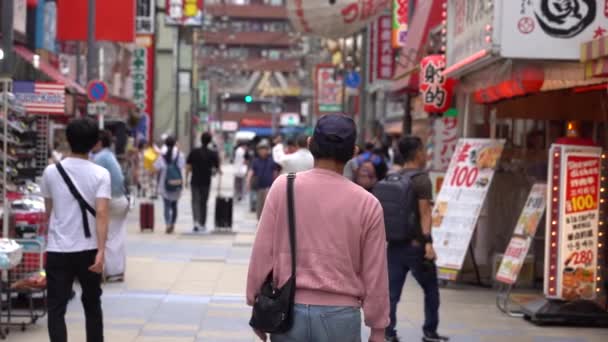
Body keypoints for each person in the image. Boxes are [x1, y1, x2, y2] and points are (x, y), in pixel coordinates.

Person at [247, 114, 389, 342]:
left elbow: (263, 251)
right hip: (341, 316)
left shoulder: (284, 187)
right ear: (353, 153)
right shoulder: (367, 203)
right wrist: (378, 327)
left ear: (311, 144)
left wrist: (256, 301)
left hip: (288, 310)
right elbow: (376, 271)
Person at [41, 118, 110, 342]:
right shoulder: (101, 174)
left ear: (68, 140)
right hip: (89, 250)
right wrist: (101, 250)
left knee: (56, 308)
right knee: (92, 305)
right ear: (94, 143)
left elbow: (48, 211)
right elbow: (101, 213)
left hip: (58, 249)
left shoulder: (51, 172)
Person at [384, 136, 447, 342]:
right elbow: (425, 214)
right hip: (416, 246)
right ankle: (430, 332)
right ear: (418, 152)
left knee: (392, 294)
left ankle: (388, 332)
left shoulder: (393, 177)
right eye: (424, 149)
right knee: (431, 290)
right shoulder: (421, 179)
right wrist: (428, 242)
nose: (426, 153)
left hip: (394, 245)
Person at [92, 130, 129, 282]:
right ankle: (117, 271)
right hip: (121, 200)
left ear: (99, 143)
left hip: (111, 201)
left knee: (107, 236)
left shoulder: (99, 158)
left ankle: (111, 271)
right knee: (117, 236)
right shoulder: (109, 155)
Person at [186, 133, 221, 232]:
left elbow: (188, 166)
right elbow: (217, 168)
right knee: (203, 202)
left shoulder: (194, 152)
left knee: (195, 201)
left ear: (201, 140)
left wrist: (185, 179)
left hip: (195, 180)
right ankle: (202, 223)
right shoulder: (212, 153)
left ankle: (196, 222)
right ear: (209, 141)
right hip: (206, 181)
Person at [154, 136, 185, 234]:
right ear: (175, 143)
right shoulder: (180, 154)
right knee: (174, 205)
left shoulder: (162, 155)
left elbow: (156, 168)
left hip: (165, 182)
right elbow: (181, 166)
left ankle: (167, 223)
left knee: (166, 205)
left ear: (165, 144)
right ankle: (172, 223)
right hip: (176, 181)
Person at [246, 140, 280, 219]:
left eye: (264, 149)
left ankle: (267, 220)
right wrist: (248, 181)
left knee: (267, 205)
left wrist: (275, 185)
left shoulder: (271, 160)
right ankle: (259, 221)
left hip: (269, 186)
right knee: (259, 205)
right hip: (259, 186)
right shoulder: (255, 161)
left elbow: (275, 173)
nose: (262, 151)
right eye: (260, 149)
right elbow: (251, 171)